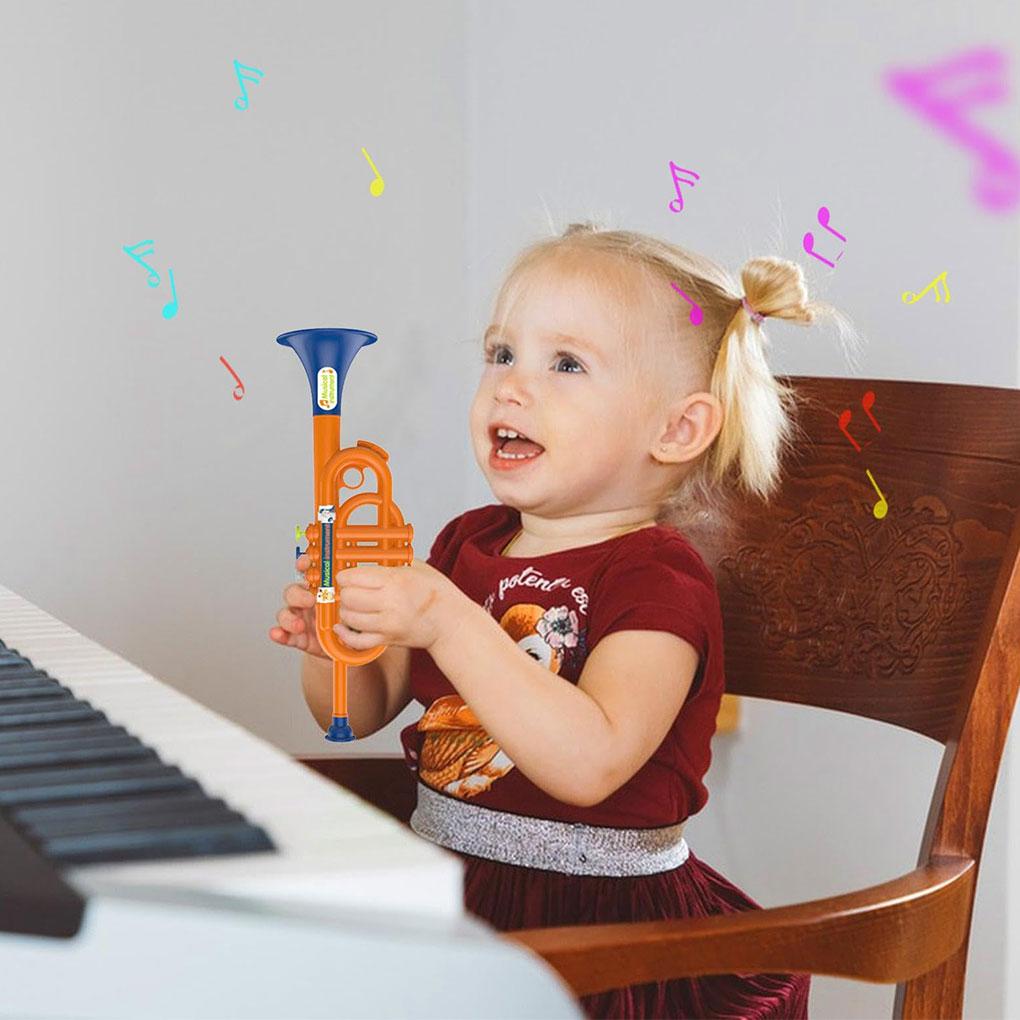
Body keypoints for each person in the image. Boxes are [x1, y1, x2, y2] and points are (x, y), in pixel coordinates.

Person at [271, 220, 845, 1017]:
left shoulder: (657, 578)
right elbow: (358, 711)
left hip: (600, 929)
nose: (510, 385)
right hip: (451, 890)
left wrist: (443, 617)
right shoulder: (466, 543)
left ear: (676, 429)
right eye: (501, 353)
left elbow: (590, 763)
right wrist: (338, 638)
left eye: (566, 363)